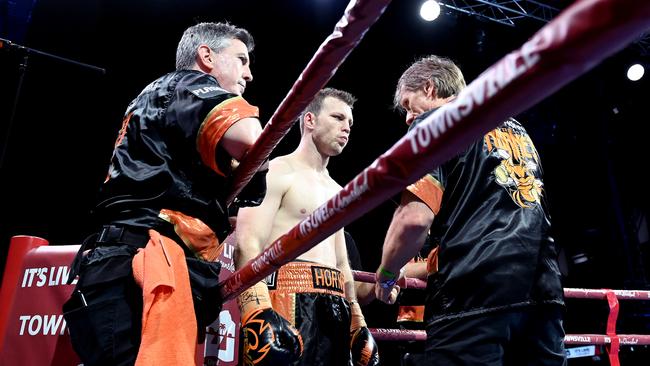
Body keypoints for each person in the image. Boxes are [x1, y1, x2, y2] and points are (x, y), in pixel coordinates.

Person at [62, 22, 267, 366]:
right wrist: (250, 136)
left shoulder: (154, 97)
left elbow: (229, 210)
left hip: (116, 264)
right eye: (241, 60)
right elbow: (250, 139)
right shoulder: (192, 86)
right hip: (140, 268)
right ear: (206, 57)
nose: (248, 75)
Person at [374, 55, 567, 366]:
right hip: (543, 289)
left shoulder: (434, 123)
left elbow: (413, 220)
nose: (408, 118)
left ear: (429, 87)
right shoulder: (517, 128)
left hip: (474, 289)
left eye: (410, 105)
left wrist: (386, 274)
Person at [235, 88, 379, 366]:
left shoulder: (338, 191)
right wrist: (256, 309)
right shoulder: (277, 171)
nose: (345, 128)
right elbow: (248, 242)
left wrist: (356, 318)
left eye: (349, 123)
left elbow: (341, 262)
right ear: (310, 120)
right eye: (337, 117)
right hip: (287, 299)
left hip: (335, 306)